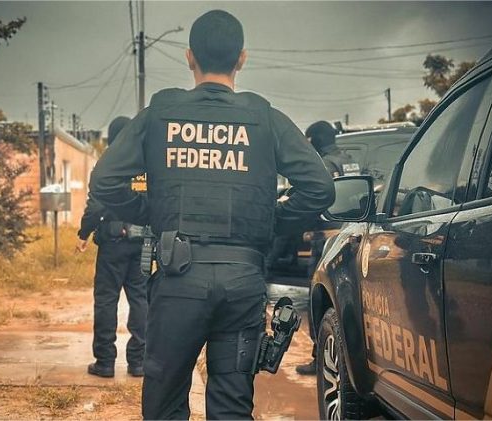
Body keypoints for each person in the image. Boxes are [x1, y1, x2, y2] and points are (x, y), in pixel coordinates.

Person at [90, 10, 334, 420]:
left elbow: (104, 181)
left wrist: (153, 213)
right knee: (232, 407)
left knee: (164, 404)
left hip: (177, 280)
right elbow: (320, 189)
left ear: (189, 57)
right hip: (242, 282)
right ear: (242, 58)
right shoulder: (265, 118)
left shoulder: (160, 114)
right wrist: (268, 222)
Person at [76, 116, 147, 378]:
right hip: (142, 243)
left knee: (106, 301)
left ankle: (105, 362)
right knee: (141, 300)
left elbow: (95, 205)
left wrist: (84, 233)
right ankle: (138, 362)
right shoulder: (146, 167)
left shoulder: (110, 166)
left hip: (113, 244)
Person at [296, 120, 359, 376]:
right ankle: (348, 359)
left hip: (327, 238)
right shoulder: (349, 161)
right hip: (350, 235)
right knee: (345, 299)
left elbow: (317, 197)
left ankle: (320, 357)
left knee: (319, 298)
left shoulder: (324, 164)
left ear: (317, 140)